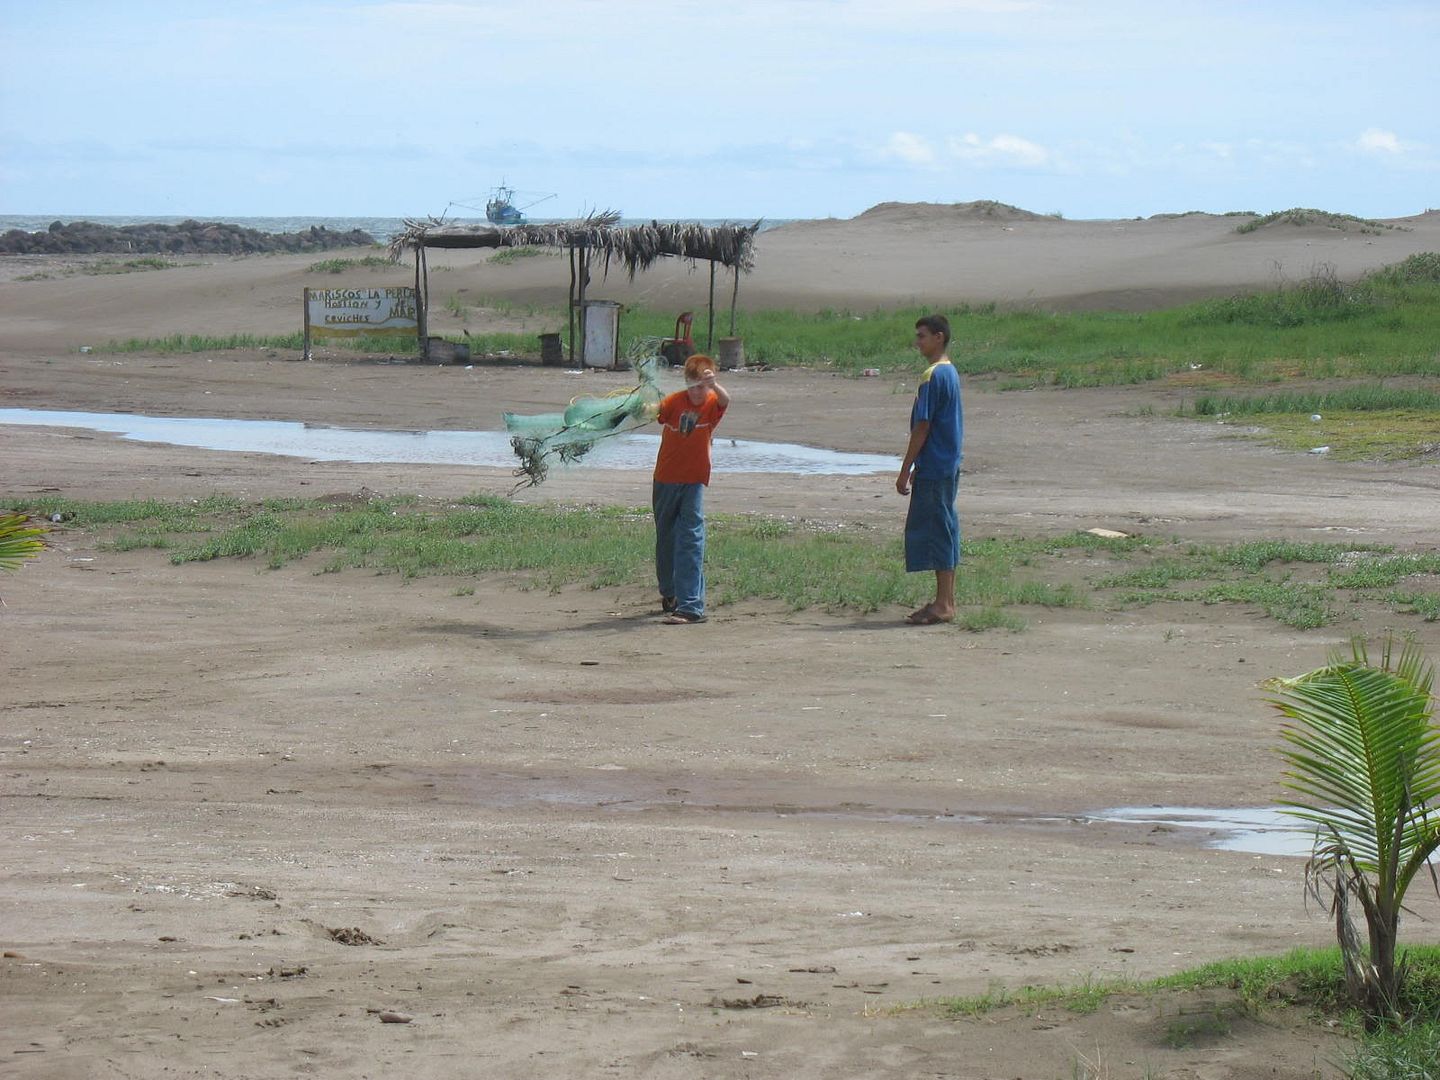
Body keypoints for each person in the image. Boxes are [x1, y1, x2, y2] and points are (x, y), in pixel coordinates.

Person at [652, 353, 729, 624]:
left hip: (694, 480)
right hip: (665, 479)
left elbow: (725, 400)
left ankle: (691, 606)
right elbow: (654, 411)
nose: (698, 392)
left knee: (691, 539)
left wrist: (714, 384)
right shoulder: (674, 402)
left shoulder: (711, 402)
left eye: (703, 386)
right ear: (686, 383)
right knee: (666, 538)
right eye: (693, 386)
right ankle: (670, 593)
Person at [896, 314, 963, 625]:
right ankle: (944, 600)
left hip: (936, 465)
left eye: (922, 336)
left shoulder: (933, 376)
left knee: (938, 530)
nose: (918, 342)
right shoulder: (950, 373)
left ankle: (944, 604)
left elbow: (922, 426)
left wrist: (905, 467)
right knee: (945, 526)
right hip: (946, 462)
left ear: (939, 337)